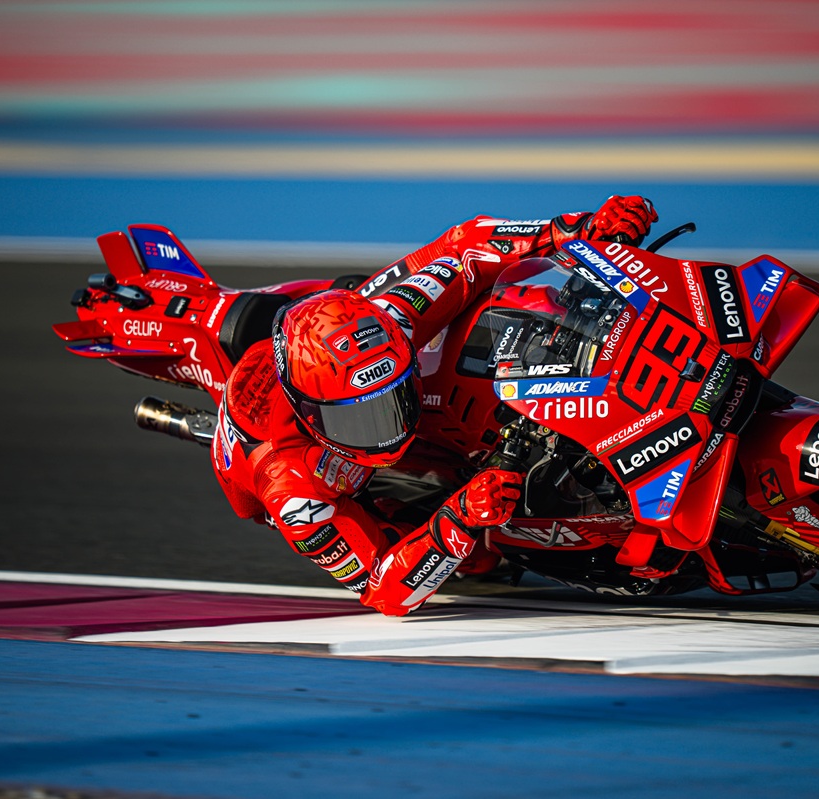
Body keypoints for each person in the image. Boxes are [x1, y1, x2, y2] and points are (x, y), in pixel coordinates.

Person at [210, 195, 658, 615]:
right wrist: (460, 518)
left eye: (393, 397)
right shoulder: (291, 489)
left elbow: (466, 248)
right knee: (479, 558)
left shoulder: (394, 319)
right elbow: (384, 592)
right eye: (360, 418)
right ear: (311, 415)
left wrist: (575, 228)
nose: (388, 429)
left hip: (350, 325)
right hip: (304, 473)